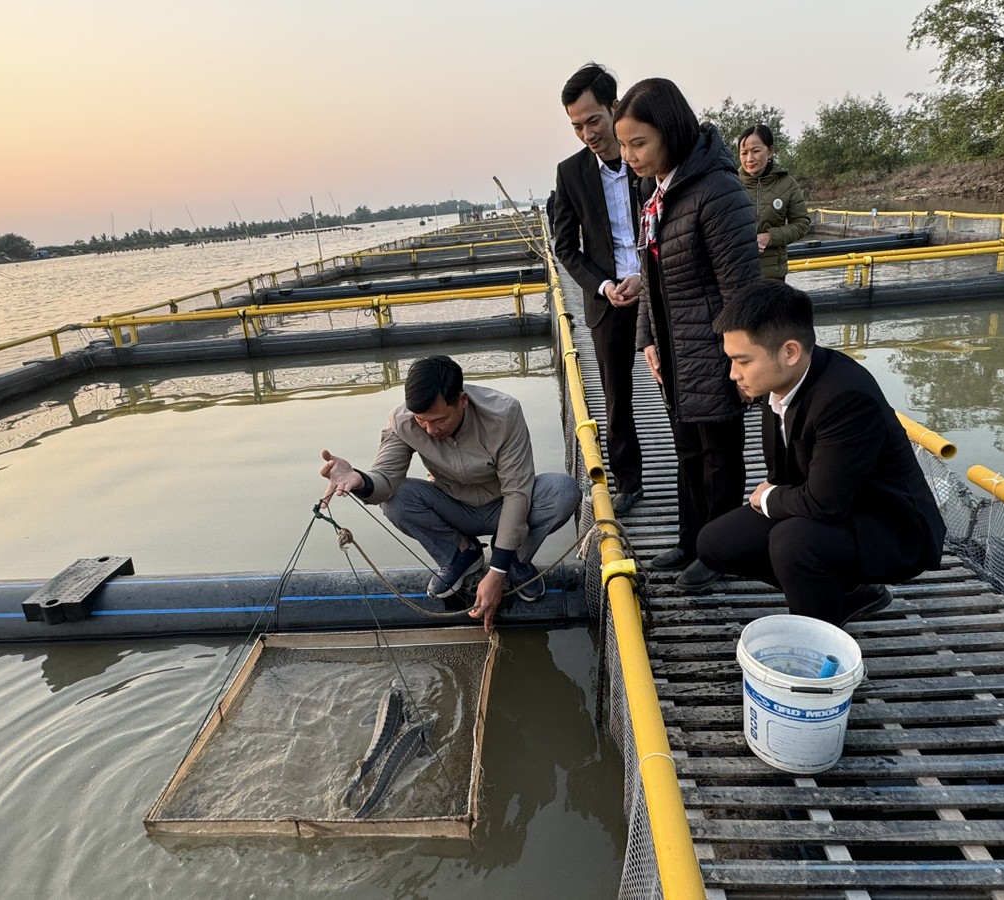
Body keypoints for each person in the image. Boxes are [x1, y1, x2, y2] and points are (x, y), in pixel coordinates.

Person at [693, 279, 946, 625]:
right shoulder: (779, 382)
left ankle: (820, 637)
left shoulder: (845, 397)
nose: (733, 374)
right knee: (714, 543)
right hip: (831, 506)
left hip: (887, 526)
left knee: (792, 543)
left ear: (790, 351)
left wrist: (768, 499)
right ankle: (847, 594)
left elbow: (824, 504)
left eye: (743, 361)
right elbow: (792, 482)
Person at [611, 78, 762, 588]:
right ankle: (692, 540)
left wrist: (738, 361)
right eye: (625, 144)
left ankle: (719, 553)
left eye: (639, 143)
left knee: (721, 456)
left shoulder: (718, 192)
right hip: (675, 353)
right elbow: (652, 280)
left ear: (671, 132)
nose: (629, 155)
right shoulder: (660, 194)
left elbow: (741, 291)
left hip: (714, 352)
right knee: (689, 452)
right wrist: (647, 342)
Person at [319, 355, 581, 632]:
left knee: (563, 491)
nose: (431, 430)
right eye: (422, 421)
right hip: (453, 506)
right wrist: (359, 480)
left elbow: (517, 492)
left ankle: (514, 556)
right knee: (396, 499)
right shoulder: (402, 421)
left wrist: (497, 572)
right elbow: (386, 478)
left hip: (505, 504)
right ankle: (461, 553)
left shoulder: (504, 413)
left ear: (463, 401)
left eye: (439, 420)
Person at [552, 62, 646, 516]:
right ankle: (629, 483)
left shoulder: (646, 157)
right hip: (608, 300)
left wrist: (647, 276)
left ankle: (697, 484)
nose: (587, 133)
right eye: (577, 126)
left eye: (593, 120)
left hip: (658, 288)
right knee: (615, 395)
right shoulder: (570, 174)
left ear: (614, 108)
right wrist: (604, 284)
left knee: (680, 387)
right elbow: (565, 248)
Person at [737, 124, 811, 281]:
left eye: (756, 151)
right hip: (737, 272)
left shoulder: (787, 183)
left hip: (773, 275)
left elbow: (802, 223)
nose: (749, 158)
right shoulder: (730, 183)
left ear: (770, 151)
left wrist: (770, 237)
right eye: (744, 153)